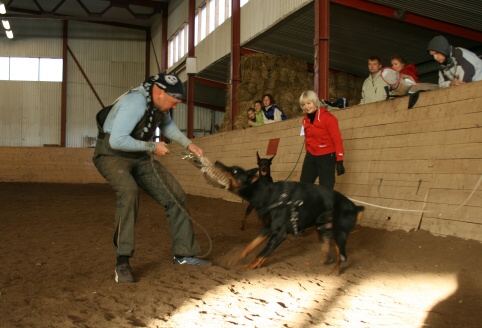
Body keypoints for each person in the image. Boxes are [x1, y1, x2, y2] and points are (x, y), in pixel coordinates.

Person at [93, 73, 211, 284]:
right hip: (111, 154)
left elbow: (167, 126)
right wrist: (152, 147)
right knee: (128, 192)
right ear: (160, 92)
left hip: (137, 155)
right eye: (174, 102)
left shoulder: (158, 105)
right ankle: (122, 261)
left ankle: (184, 255)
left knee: (175, 194)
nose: (175, 106)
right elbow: (117, 141)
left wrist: (188, 144)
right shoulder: (135, 102)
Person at [299, 90, 345, 190]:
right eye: (303, 105)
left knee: (326, 190)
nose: (306, 107)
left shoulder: (328, 118)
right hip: (311, 155)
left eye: (308, 103)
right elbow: (307, 139)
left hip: (326, 156)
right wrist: (309, 150)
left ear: (315, 102)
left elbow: (337, 139)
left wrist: (339, 160)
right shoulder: (305, 120)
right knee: (303, 187)